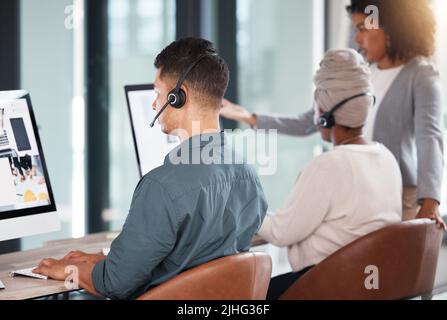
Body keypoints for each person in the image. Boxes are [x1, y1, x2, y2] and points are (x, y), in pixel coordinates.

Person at [34, 38, 268, 300]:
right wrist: (109, 259)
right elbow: (196, 259)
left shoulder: (162, 186)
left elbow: (114, 284)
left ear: (179, 97)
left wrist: (66, 269)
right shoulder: (248, 176)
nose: (155, 105)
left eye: (158, 93)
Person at [221, 0, 445, 229]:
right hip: (357, 190)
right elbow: (310, 121)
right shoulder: (363, 75)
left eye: (363, 29)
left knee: (391, 261)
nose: (358, 39)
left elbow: (430, 138)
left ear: (391, 29)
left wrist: (430, 202)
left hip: (400, 195)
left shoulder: (421, 75)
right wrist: (252, 118)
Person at [258, 49, 403, 300]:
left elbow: (281, 233)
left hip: (326, 287)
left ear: (324, 116)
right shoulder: (387, 158)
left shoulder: (329, 165)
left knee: (244, 294)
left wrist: (245, 206)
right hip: (372, 287)